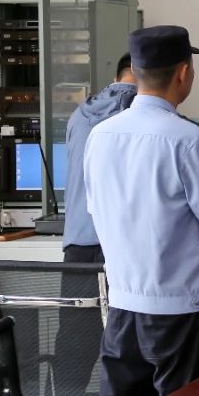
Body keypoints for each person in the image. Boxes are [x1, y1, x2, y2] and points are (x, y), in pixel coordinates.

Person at [85, 26, 199, 396]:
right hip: (183, 309)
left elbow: (98, 212)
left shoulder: (100, 135)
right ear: (183, 73)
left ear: (134, 71)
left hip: (123, 305)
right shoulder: (189, 140)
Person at [63, 53, 136, 264]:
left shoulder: (78, 116)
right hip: (121, 246)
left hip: (77, 243)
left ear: (115, 79)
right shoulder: (143, 115)